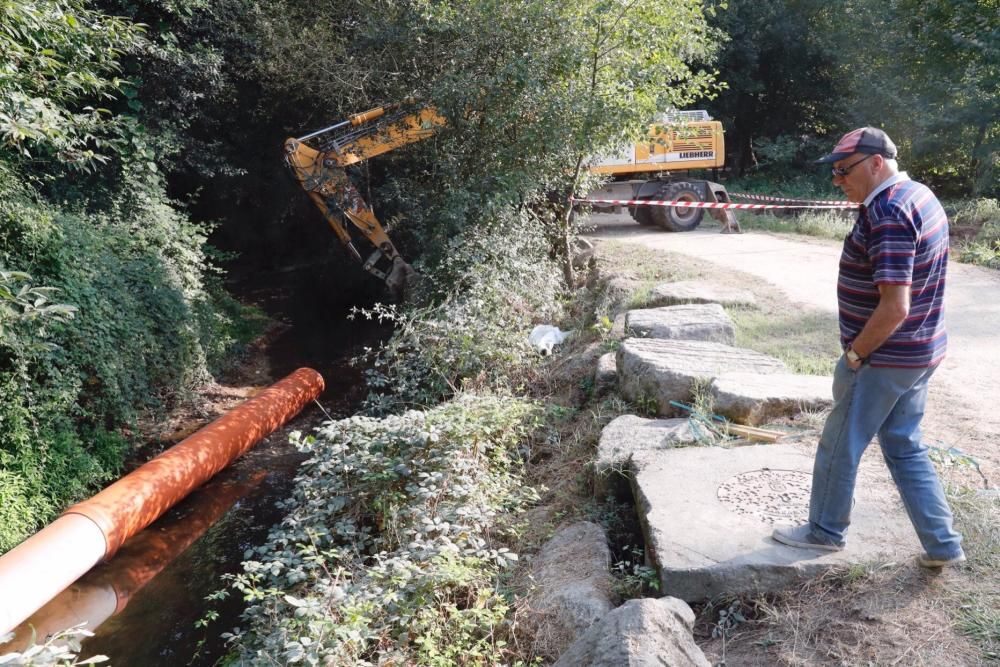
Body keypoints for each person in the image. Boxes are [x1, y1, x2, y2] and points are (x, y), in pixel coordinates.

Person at [771, 127, 965, 568]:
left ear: (876, 163)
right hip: (921, 351)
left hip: (885, 357)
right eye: (834, 172)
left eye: (843, 170)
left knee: (840, 441)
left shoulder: (890, 212)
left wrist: (856, 354)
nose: (837, 179)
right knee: (903, 444)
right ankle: (942, 545)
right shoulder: (919, 195)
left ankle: (823, 530)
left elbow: (895, 306)